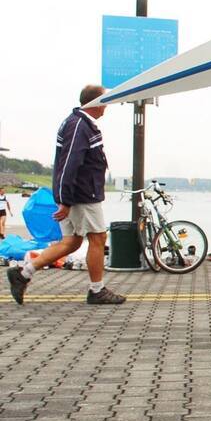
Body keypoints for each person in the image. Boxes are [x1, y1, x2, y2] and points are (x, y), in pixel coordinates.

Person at [7, 85, 125, 305]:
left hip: (76, 193)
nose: (106, 106)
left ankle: (23, 274)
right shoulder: (80, 126)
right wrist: (66, 200)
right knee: (98, 238)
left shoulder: (78, 123)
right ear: (95, 102)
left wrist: (63, 198)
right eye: (105, 101)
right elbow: (70, 164)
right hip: (82, 195)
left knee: (71, 242)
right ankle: (96, 290)